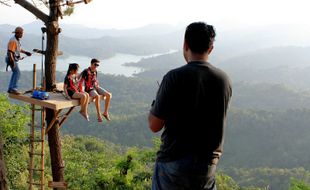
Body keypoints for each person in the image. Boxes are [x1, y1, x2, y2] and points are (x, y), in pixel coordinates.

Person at [148, 22, 232, 190]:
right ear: (211, 48)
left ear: (185, 45)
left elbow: (154, 125)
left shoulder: (174, 77)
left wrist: (156, 103)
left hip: (173, 164)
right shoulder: (223, 80)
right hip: (207, 166)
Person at [80, 58, 112, 123]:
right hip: (89, 89)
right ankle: (99, 115)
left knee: (108, 95)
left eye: (98, 65)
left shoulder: (95, 71)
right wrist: (81, 91)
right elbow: (81, 81)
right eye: (95, 64)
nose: (96, 66)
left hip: (96, 87)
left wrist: (97, 86)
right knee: (97, 96)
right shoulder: (86, 71)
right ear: (91, 64)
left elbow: (95, 80)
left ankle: (105, 112)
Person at [6, 26, 32, 95]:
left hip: (12, 58)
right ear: (17, 33)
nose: (22, 35)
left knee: (15, 73)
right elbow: (10, 52)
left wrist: (26, 52)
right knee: (17, 73)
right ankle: (13, 89)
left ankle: (10, 89)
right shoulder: (13, 41)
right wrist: (12, 62)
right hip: (11, 58)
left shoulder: (17, 40)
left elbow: (18, 49)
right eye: (21, 33)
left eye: (22, 33)